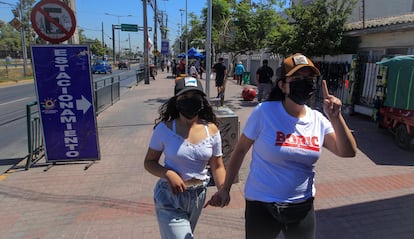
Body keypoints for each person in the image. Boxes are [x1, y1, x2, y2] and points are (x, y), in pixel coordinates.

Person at [205, 53, 357, 239]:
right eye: (298, 78)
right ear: (283, 85)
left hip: (302, 206)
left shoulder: (317, 119)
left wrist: (336, 118)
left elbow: (348, 152)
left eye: (310, 78)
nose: (306, 82)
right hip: (262, 204)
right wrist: (225, 189)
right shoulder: (265, 112)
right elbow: (241, 150)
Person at [144, 77, 226, 239]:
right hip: (169, 196)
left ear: (202, 101)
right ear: (176, 101)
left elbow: (217, 166)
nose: (190, 102)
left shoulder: (211, 130)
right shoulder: (164, 129)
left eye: (195, 98)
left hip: (197, 196)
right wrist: (168, 174)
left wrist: (223, 190)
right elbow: (149, 162)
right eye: (184, 97)